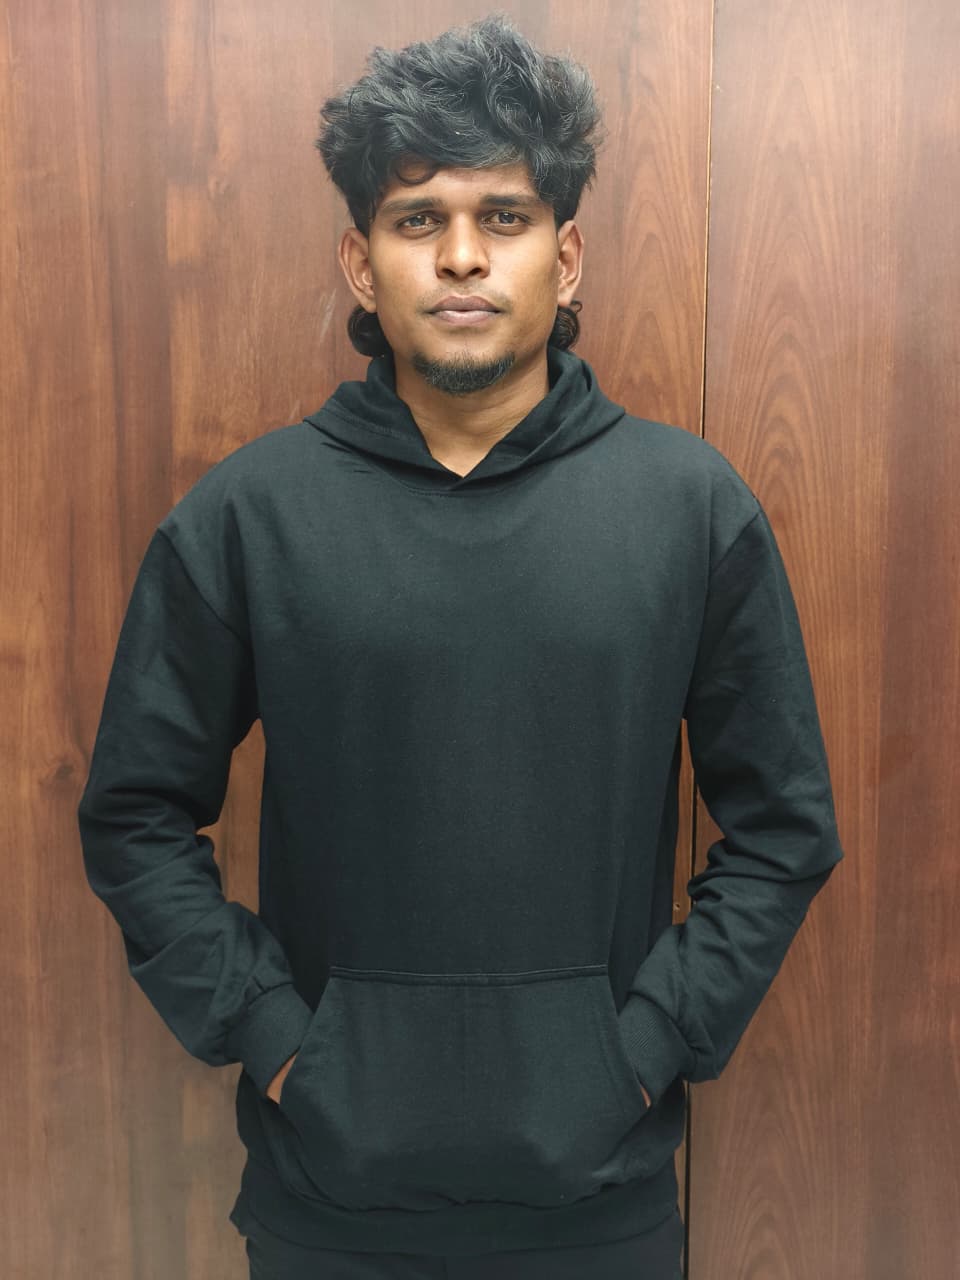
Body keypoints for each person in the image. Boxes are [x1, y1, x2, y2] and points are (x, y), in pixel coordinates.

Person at [76, 12, 844, 1279]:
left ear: (568, 255)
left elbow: (783, 828)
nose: (463, 256)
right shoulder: (250, 516)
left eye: (505, 216)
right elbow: (133, 814)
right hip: (327, 1206)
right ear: (361, 263)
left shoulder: (689, 510)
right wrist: (276, 1036)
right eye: (418, 217)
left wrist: (643, 1045)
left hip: (600, 1205)